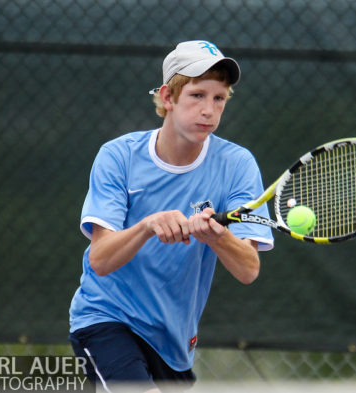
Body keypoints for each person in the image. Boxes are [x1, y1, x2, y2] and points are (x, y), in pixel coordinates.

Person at [68, 40, 274, 392]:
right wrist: (148, 225)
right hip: (106, 318)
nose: (209, 110)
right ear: (168, 98)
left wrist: (217, 236)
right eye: (197, 95)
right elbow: (100, 260)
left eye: (219, 98)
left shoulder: (238, 165)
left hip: (174, 342)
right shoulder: (118, 157)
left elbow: (248, 268)